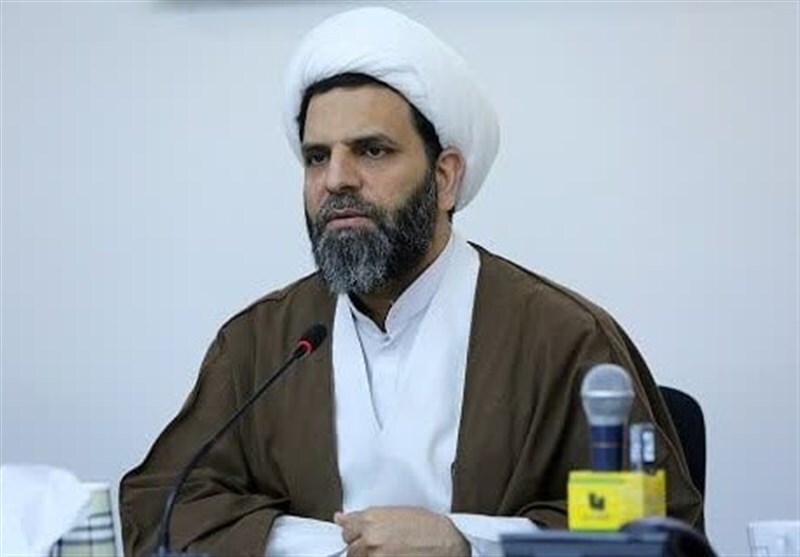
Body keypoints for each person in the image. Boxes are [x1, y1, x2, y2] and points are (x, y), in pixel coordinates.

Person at [120, 7, 703, 557]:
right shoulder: (261, 343)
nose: (336, 179)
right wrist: (328, 546)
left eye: (372, 151)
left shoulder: (563, 338)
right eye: (317, 157)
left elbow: (659, 535)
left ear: (445, 178)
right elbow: (161, 508)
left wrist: (465, 543)